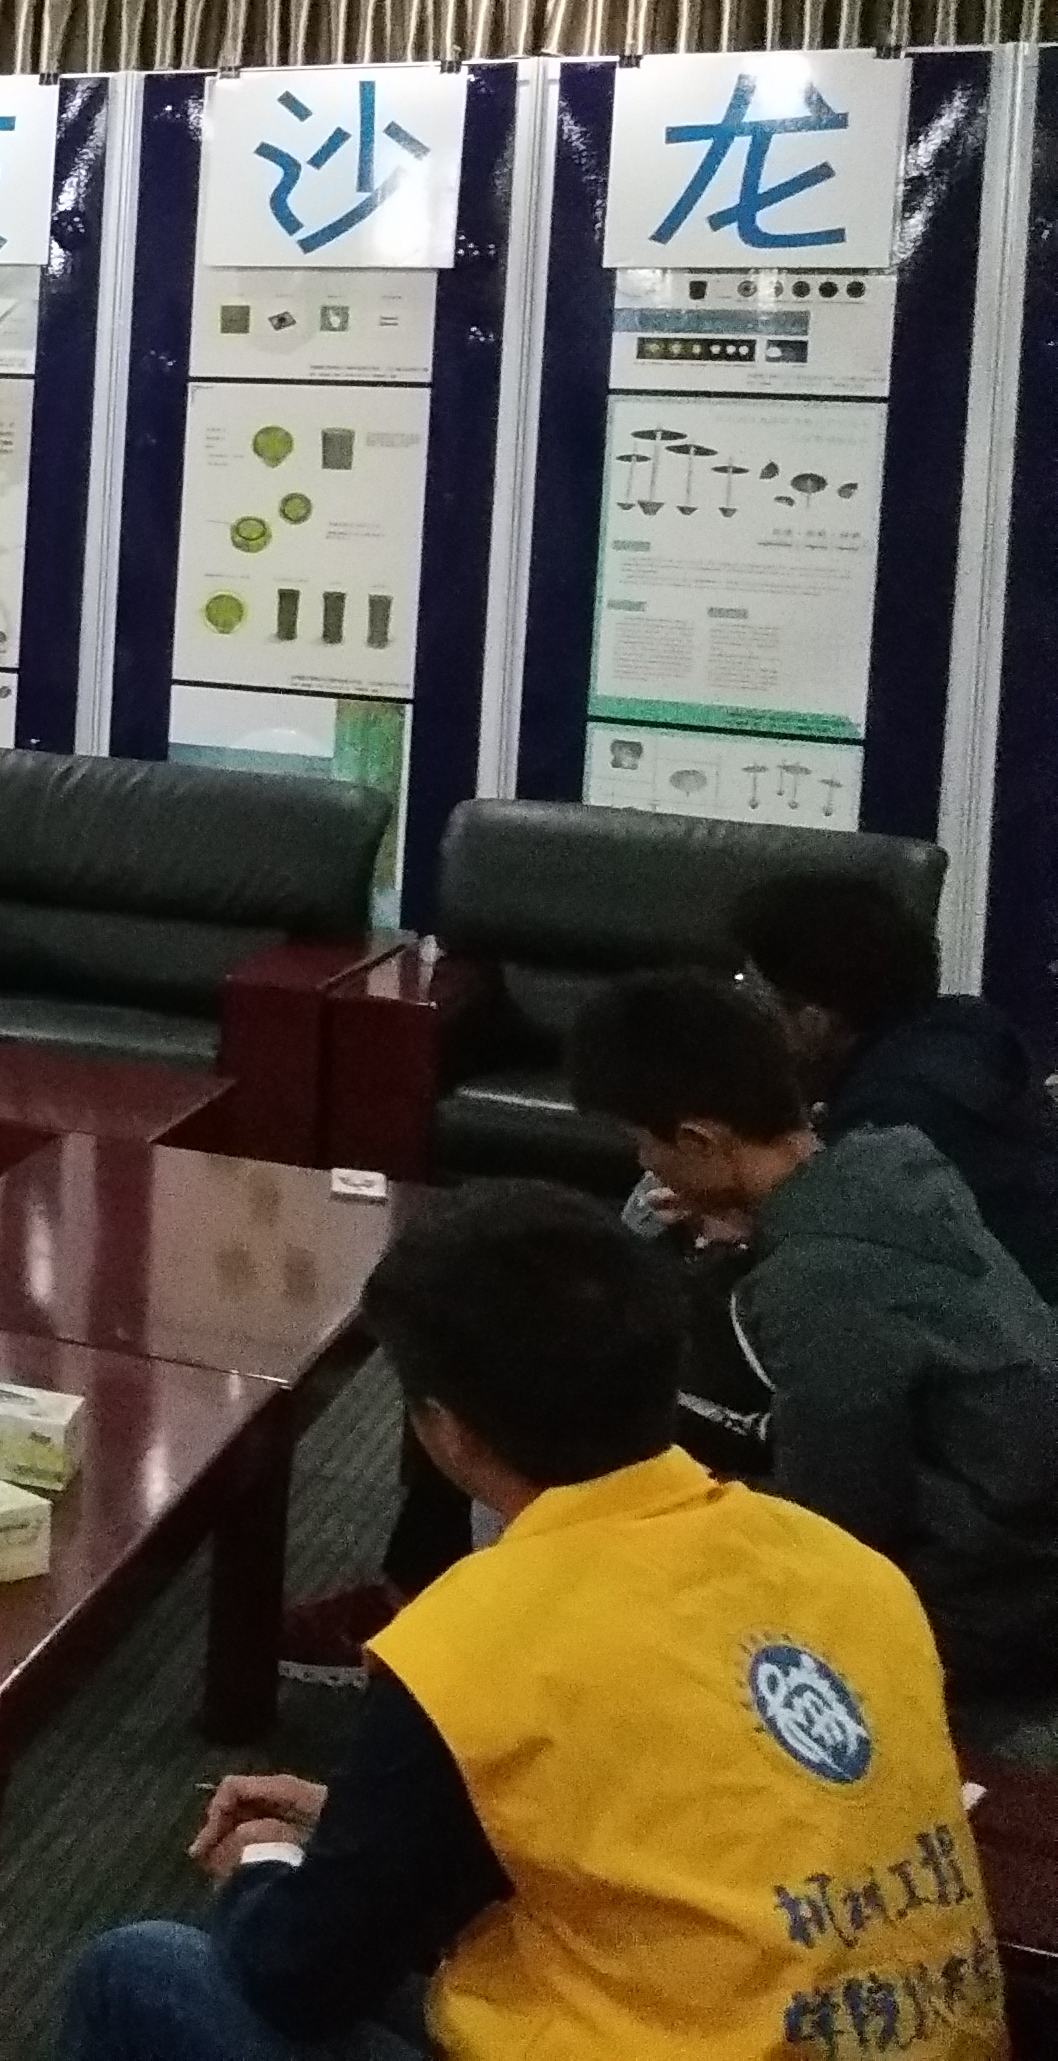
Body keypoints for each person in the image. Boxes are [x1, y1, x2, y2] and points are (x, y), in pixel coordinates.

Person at [53, 1178, 1004, 2061]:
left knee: (139, 1972)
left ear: (445, 1429)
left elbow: (300, 1978)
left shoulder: (472, 1638)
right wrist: (363, 1828)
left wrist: (264, 1864)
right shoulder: (848, 1568)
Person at [568, 965, 1058, 1737]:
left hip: (977, 1604)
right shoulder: (889, 1162)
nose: (645, 1167)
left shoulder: (816, 1287)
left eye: (644, 1144)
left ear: (699, 1139)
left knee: (608, 1524)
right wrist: (758, 1230)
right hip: (1015, 1534)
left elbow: (835, 1526)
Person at [734, 870, 1058, 1297]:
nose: (742, 1013)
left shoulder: (892, 1122)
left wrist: (751, 1229)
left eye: (750, 992)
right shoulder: (965, 1028)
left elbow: (846, 1276)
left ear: (814, 1022)